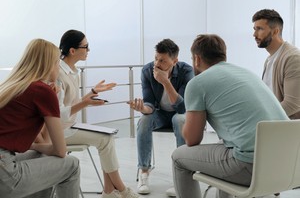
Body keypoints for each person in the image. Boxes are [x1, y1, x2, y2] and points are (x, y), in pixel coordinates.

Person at [171, 34, 289, 198]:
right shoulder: (246, 73)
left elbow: (192, 140)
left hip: (252, 167)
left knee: (178, 157)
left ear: (197, 59)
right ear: (223, 55)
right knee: (226, 145)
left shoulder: (197, 83)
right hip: (288, 164)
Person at [43, 29, 139, 198]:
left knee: (105, 138)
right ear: (72, 51)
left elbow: (71, 103)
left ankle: (109, 191)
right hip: (58, 132)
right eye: (86, 47)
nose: (88, 50)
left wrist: (92, 92)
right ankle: (121, 189)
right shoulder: (57, 74)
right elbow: (56, 114)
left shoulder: (73, 72)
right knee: (105, 139)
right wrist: (85, 102)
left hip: (69, 125)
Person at [0, 39, 80, 198]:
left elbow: (45, 142)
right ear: (49, 64)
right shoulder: (42, 91)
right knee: (72, 164)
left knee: (43, 156)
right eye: (57, 62)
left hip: (4, 162)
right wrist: (52, 100)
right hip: (5, 173)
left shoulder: (12, 86)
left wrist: (50, 103)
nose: (58, 67)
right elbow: (61, 150)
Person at [127, 38, 194, 195]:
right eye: (156, 58)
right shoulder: (147, 71)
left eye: (162, 60)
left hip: (179, 114)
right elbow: (150, 103)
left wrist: (165, 82)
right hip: (159, 115)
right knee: (144, 120)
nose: (157, 64)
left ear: (174, 61)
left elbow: (182, 107)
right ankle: (144, 171)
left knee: (179, 119)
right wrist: (143, 108)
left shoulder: (186, 71)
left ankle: (182, 176)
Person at [252, 9, 300, 119]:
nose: (254, 34)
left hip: (289, 129)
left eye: (259, 29)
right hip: (276, 125)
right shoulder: (269, 59)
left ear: (275, 31)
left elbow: (293, 104)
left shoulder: (293, 58)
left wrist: (259, 118)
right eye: (254, 29)